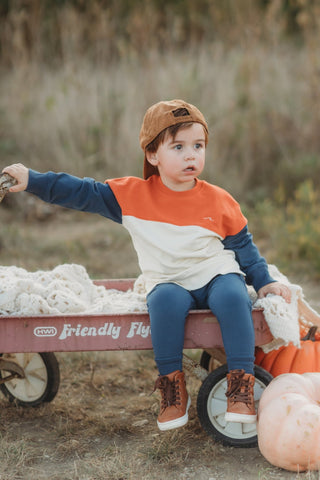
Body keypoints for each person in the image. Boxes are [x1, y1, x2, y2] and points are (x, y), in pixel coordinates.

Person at [2, 99, 291, 432]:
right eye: (178, 146)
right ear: (153, 155)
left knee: (233, 294)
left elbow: (243, 246)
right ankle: (171, 387)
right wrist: (33, 180)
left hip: (214, 273)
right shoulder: (133, 196)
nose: (190, 155)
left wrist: (264, 280)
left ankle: (241, 383)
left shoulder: (219, 199)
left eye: (198, 146)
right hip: (168, 280)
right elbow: (82, 192)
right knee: (163, 302)